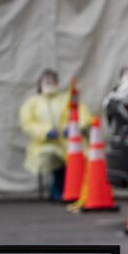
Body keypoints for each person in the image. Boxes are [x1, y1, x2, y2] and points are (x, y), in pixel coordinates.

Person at [17, 69, 86, 200]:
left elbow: (81, 114)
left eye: (52, 80)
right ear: (40, 83)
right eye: (46, 80)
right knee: (53, 155)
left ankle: (74, 189)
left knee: (79, 155)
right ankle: (58, 188)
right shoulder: (32, 102)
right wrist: (45, 131)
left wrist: (72, 127)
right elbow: (27, 123)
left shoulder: (66, 99)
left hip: (67, 141)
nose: (49, 83)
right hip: (43, 143)